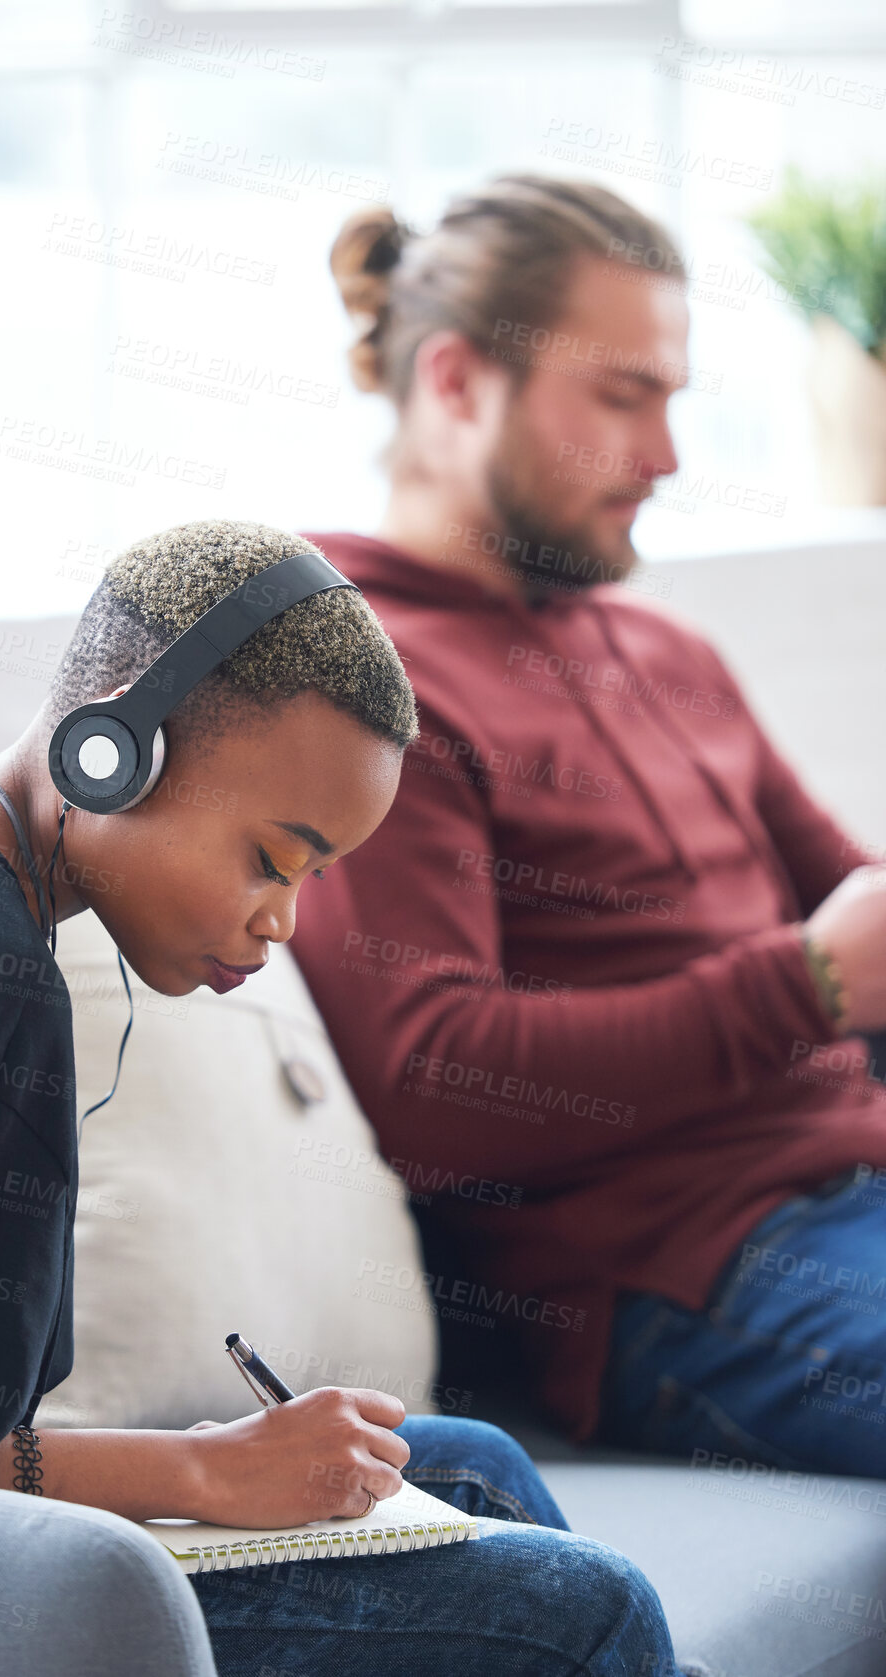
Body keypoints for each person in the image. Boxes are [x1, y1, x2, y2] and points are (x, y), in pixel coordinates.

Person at [0, 519, 699, 1675]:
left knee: (468, 1465)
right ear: (113, 748)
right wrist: (206, 1471)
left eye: (313, 878)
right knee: (591, 1616)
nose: (282, 920)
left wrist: (226, 1456)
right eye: (273, 859)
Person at [288, 176, 886, 1480]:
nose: (667, 455)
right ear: (454, 382)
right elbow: (437, 1084)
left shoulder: (662, 649)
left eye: (671, 397)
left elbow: (853, 893)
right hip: (686, 1264)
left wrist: (846, 958)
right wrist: (813, 978)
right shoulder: (361, 682)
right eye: (623, 397)